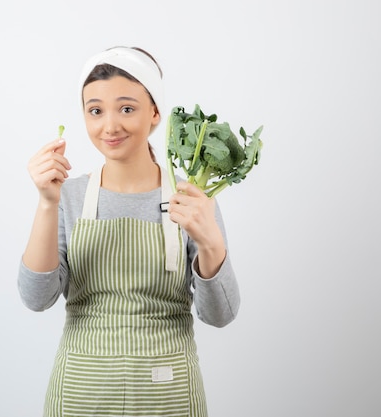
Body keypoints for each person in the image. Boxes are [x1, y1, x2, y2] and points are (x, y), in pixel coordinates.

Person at [18, 46, 240, 417]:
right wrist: (46, 204)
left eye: (126, 108)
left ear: (155, 112)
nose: (110, 126)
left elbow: (220, 314)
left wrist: (210, 241)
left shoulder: (192, 200)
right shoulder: (66, 196)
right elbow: (36, 298)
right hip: (81, 394)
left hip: (168, 396)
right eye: (95, 110)